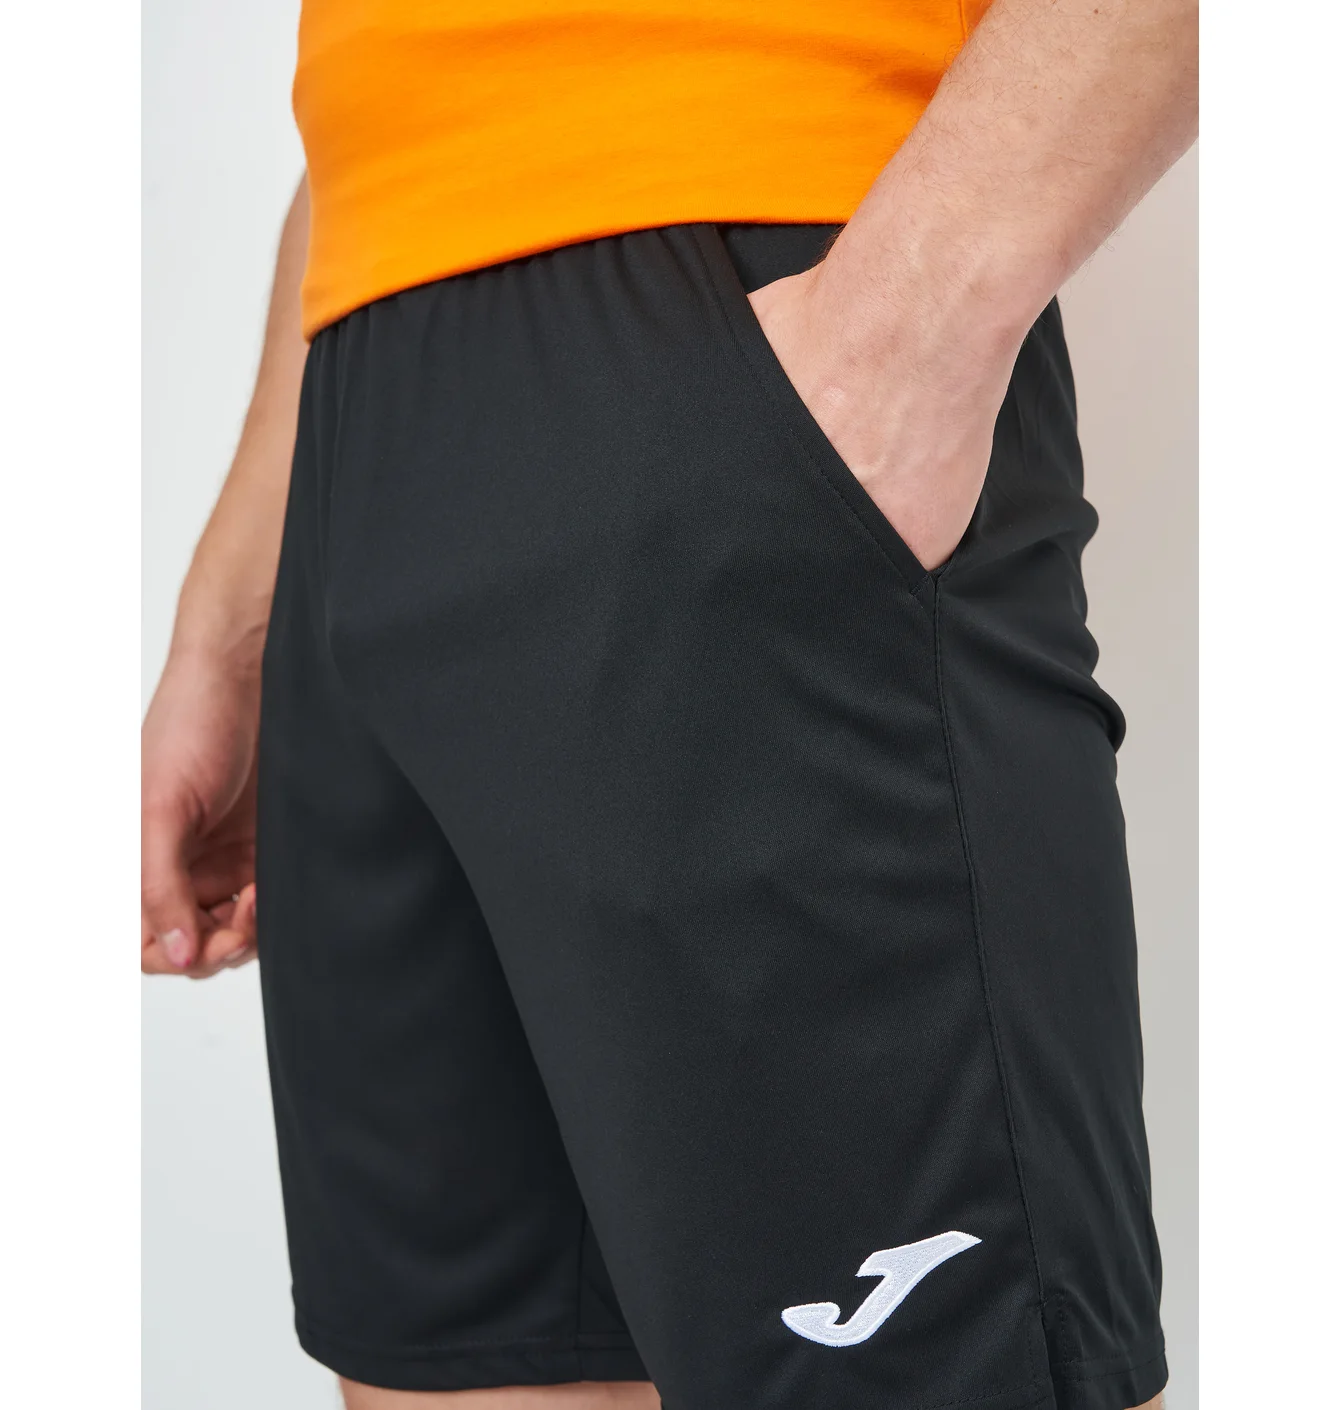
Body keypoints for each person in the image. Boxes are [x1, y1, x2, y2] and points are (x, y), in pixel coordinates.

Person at [141, 0, 1196, 1406]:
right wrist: (239, 611)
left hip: (743, 323)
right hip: (360, 411)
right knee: (469, 1367)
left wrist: (908, 326)